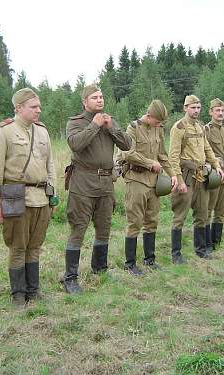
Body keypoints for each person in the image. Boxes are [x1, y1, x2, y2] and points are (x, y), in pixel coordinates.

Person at [0, 88, 57, 308]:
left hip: (41, 197)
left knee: (35, 245)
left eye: (39, 106)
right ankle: (18, 295)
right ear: (18, 108)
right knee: (18, 246)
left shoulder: (42, 131)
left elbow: (50, 165)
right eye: (33, 107)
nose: (38, 110)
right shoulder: (3, 132)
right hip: (15, 196)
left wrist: (53, 195)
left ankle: (33, 291)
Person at [62, 84, 132, 293]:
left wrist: (110, 127)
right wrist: (94, 125)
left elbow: (127, 145)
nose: (99, 100)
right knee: (78, 229)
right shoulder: (75, 123)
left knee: (104, 228)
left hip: (105, 184)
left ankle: (100, 269)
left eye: (101, 96)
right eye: (94, 97)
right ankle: (70, 277)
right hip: (83, 183)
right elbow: (75, 144)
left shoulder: (109, 121)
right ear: (85, 102)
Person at [117, 100, 177, 275]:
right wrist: (150, 164)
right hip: (136, 180)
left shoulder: (158, 129)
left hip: (154, 182)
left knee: (152, 221)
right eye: (157, 121)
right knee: (134, 221)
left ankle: (150, 260)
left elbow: (162, 155)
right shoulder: (133, 128)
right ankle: (130, 264)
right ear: (149, 116)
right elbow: (128, 153)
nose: (159, 125)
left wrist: (172, 173)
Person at [168, 95, 224, 263]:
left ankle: (201, 250)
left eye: (198, 108)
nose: (196, 111)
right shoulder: (178, 127)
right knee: (180, 215)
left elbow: (207, 149)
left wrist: (217, 166)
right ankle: (176, 254)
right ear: (185, 108)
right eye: (193, 107)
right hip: (186, 175)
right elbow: (173, 156)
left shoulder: (200, 128)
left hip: (202, 175)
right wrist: (178, 180)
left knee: (202, 213)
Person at [204, 98, 224, 249]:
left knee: (220, 211)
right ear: (211, 112)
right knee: (208, 209)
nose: (220, 113)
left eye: (222, 110)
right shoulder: (206, 130)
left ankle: (216, 243)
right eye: (217, 110)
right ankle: (206, 244)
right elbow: (203, 151)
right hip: (213, 173)